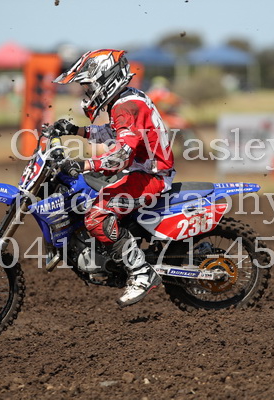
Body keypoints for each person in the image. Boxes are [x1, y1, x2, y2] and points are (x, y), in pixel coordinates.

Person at [51, 49, 175, 307]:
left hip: (150, 175)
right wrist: (76, 130)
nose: (86, 92)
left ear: (105, 79)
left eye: (88, 85)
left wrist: (83, 164)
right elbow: (113, 133)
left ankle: (141, 272)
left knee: (96, 215)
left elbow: (121, 156)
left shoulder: (125, 106)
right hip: (141, 170)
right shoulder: (125, 99)